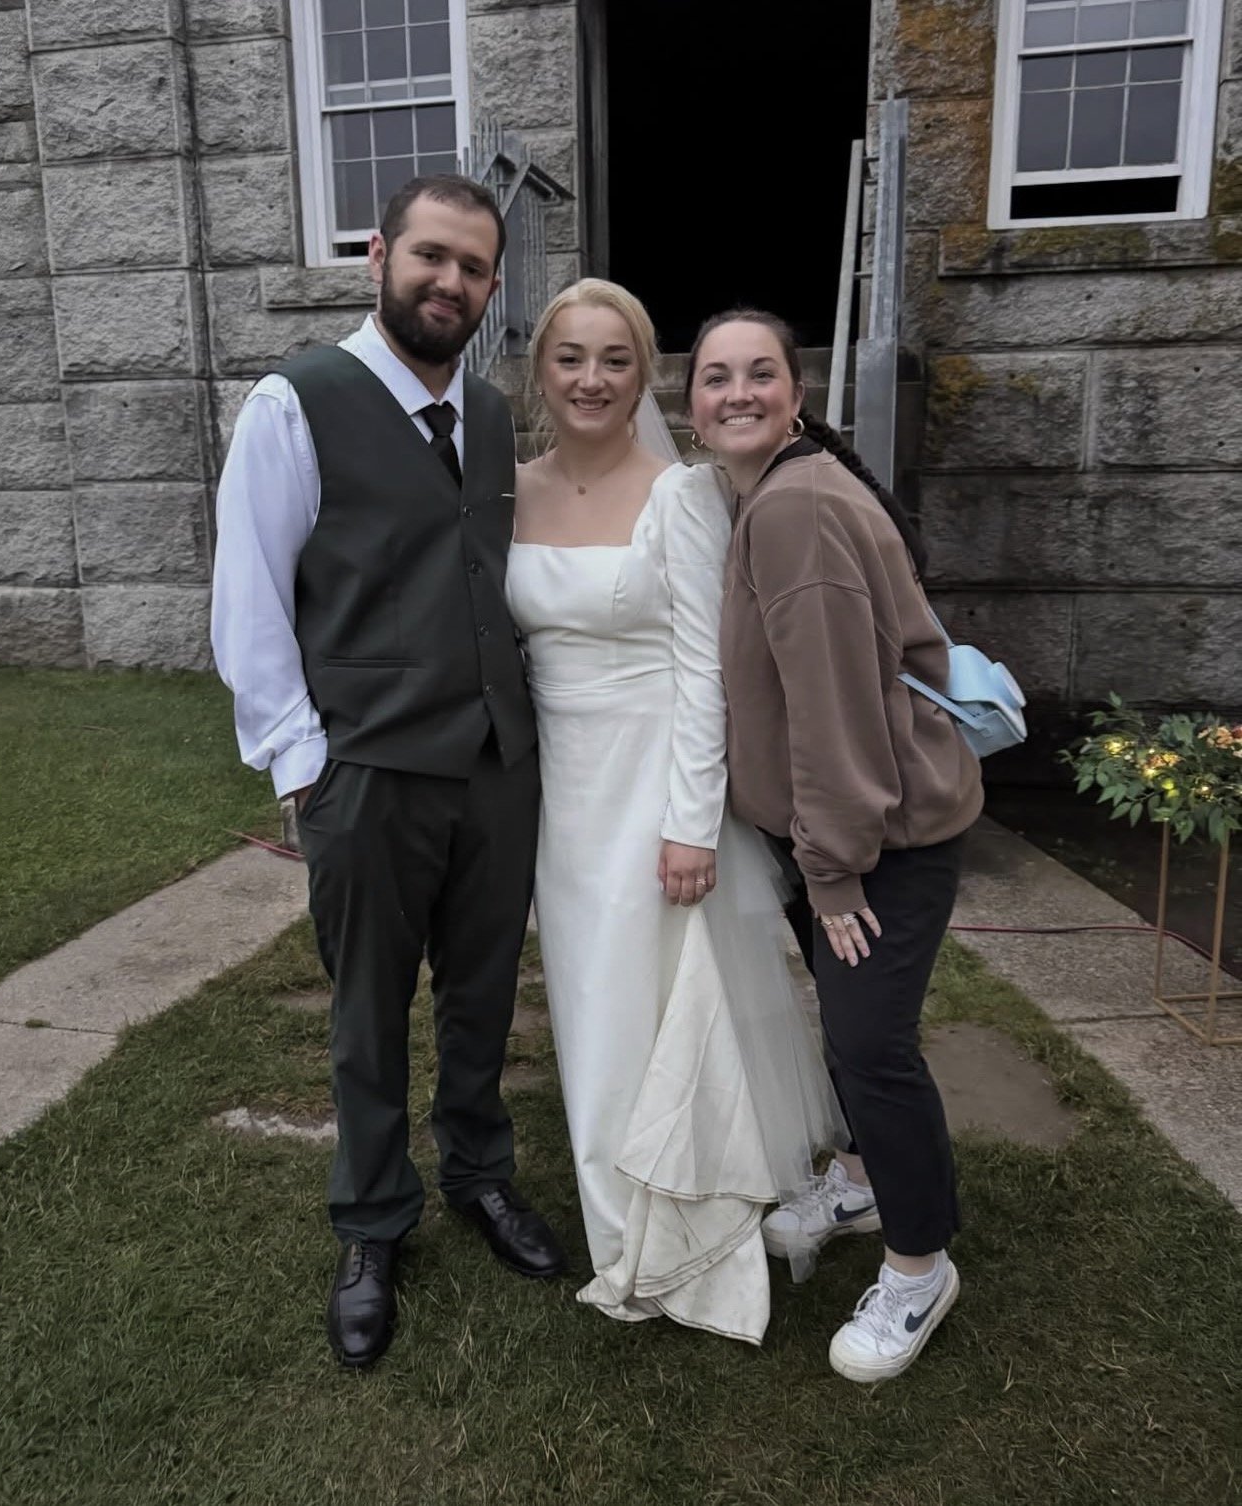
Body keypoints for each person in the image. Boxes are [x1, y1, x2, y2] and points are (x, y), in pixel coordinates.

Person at [210, 175, 566, 1373]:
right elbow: (249, 601)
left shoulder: (495, 415)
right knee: (368, 1012)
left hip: (494, 766)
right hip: (365, 770)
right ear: (380, 256)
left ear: (492, 285)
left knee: (483, 993)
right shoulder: (296, 403)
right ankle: (371, 1222)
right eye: (430, 256)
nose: (449, 282)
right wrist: (303, 765)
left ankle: (479, 1173)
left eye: (473, 267)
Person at [507, 280, 843, 1344]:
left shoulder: (683, 497)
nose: (592, 379)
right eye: (571, 357)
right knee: (589, 1004)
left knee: (658, 1003)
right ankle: (618, 1214)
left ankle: (680, 1229)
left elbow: (709, 672)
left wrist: (693, 822)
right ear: (541, 371)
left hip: (656, 783)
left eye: (616, 359)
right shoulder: (507, 493)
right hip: (561, 792)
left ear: (643, 374)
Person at [685, 308, 984, 1383]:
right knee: (854, 1032)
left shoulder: (795, 510)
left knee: (870, 1047)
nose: (738, 392)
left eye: (760, 373)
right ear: (692, 405)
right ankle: (860, 1179)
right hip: (847, 831)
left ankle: (919, 1266)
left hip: (878, 838)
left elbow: (835, 709)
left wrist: (834, 870)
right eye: (716, 377)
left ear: (796, 394)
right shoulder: (777, 491)